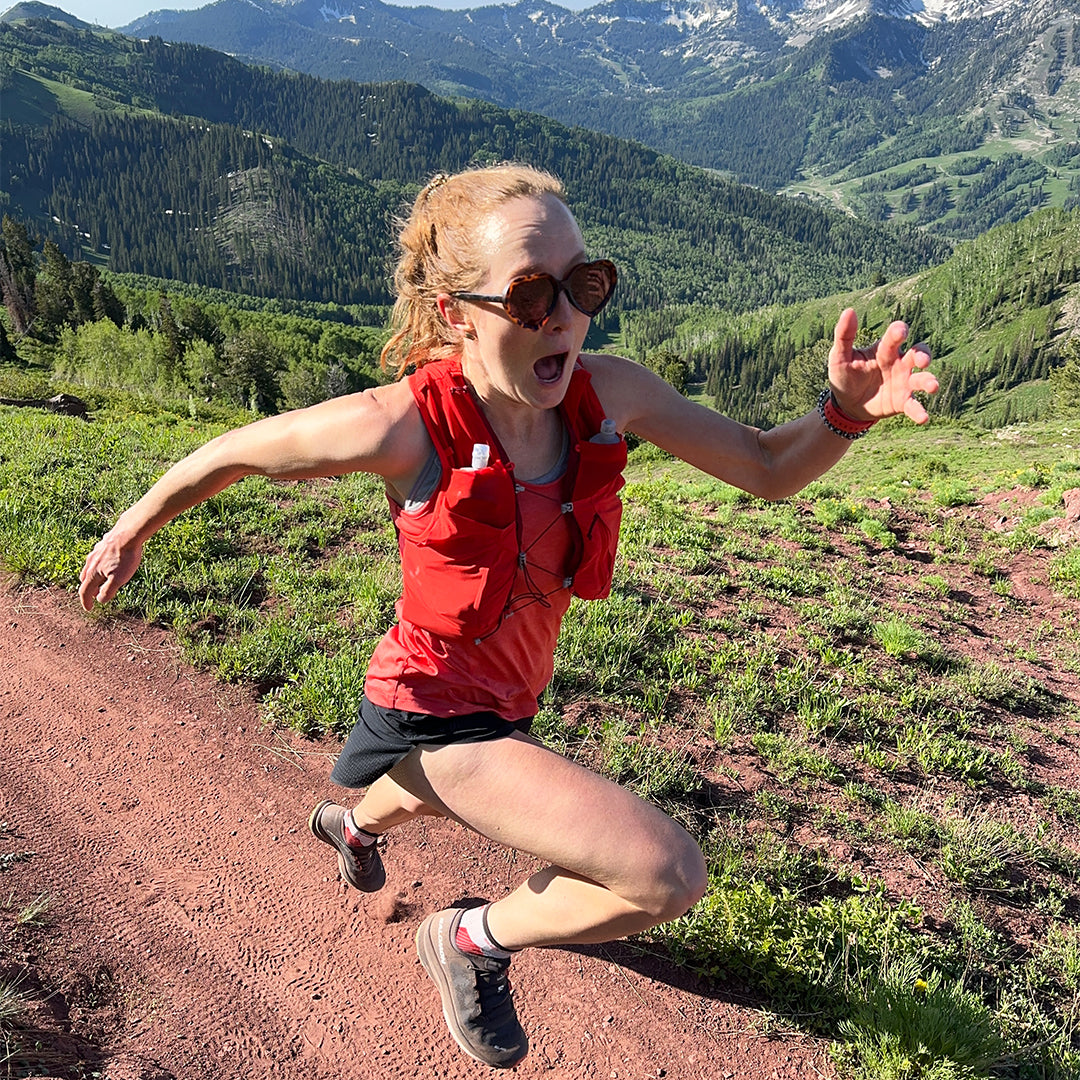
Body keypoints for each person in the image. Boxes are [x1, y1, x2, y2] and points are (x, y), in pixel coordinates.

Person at [78, 163, 938, 1070]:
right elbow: (232, 453)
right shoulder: (402, 426)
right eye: (531, 292)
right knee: (664, 874)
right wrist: (134, 527)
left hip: (507, 691)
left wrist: (845, 416)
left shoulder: (612, 393)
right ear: (457, 313)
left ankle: (353, 826)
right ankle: (466, 940)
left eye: (584, 283)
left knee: (426, 787)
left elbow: (764, 466)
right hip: (432, 704)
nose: (564, 313)